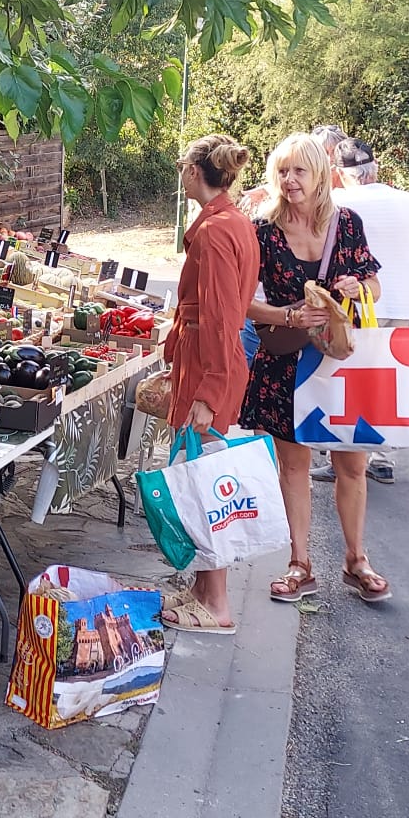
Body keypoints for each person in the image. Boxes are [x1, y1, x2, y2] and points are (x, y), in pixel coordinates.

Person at [239, 133, 393, 604]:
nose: (289, 180)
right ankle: (299, 563)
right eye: (282, 171)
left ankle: (356, 559)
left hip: (343, 364)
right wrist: (289, 315)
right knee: (294, 467)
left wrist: (357, 285)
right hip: (286, 361)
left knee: (351, 464)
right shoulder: (262, 232)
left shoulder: (347, 224)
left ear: (320, 174)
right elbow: (243, 304)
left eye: (299, 171)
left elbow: (375, 286)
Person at [157, 136, 261, 635]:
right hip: (204, 359)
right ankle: (202, 589)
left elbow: (222, 320)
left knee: (205, 483)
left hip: (210, 364)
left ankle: (217, 603)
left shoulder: (218, 232)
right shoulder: (233, 222)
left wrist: (210, 391)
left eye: (183, 166)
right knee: (201, 474)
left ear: (196, 172)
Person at [314, 137, 409, 484]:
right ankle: (384, 460)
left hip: (351, 306)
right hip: (399, 304)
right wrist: (400, 280)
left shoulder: (337, 203)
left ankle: (342, 456)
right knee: (388, 383)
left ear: (338, 173)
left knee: (348, 382)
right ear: (376, 166)